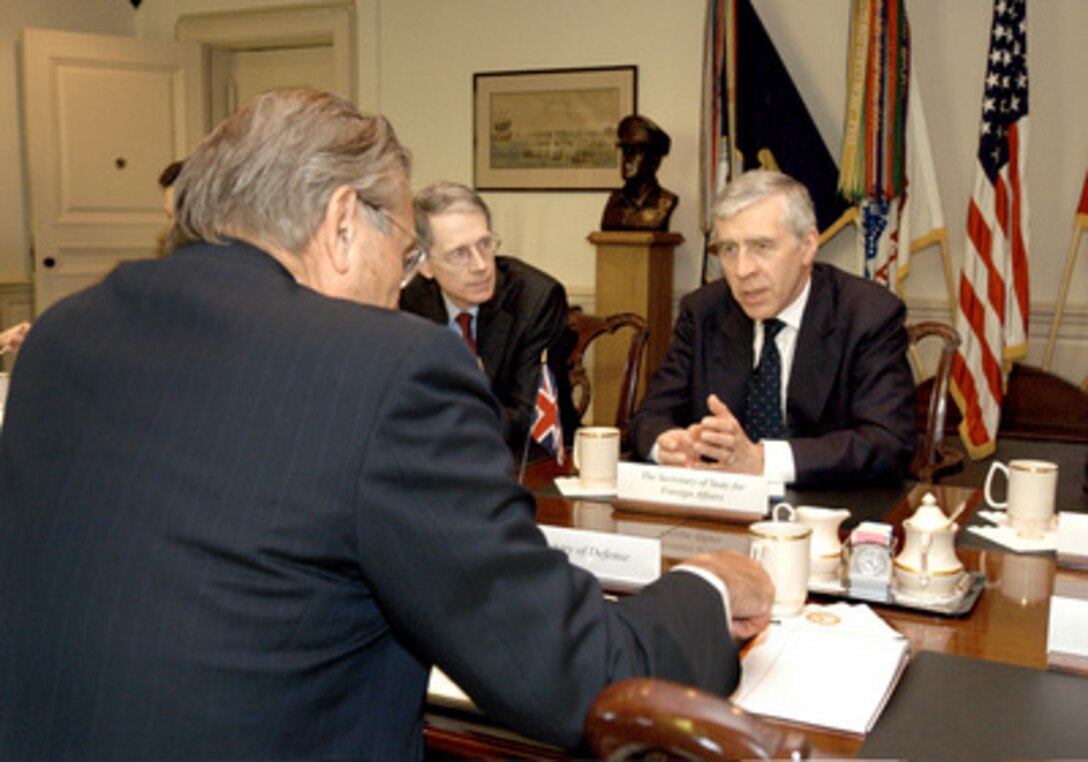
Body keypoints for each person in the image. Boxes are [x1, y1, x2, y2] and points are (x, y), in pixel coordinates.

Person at [0, 89, 773, 760]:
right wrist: (704, 588)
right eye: (406, 258)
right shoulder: (388, 368)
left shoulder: (65, 333)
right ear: (343, 223)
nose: (402, 290)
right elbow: (570, 676)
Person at [629, 169, 915, 487]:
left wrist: (763, 461)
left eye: (761, 247)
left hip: (824, 516)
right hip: (718, 516)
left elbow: (888, 444)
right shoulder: (703, 311)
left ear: (807, 246)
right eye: (729, 249)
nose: (743, 270)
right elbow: (648, 418)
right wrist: (670, 445)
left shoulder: (868, 314)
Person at [401, 181, 578, 454]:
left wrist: (436, 417)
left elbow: (526, 422)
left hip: (526, 465)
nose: (481, 266)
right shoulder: (407, 301)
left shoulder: (535, 299)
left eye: (484, 244)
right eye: (460, 253)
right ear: (423, 264)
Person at [600, 114, 678, 232]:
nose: (627, 160)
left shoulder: (665, 202)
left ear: (654, 160)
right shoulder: (614, 202)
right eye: (625, 151)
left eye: (636, 152)